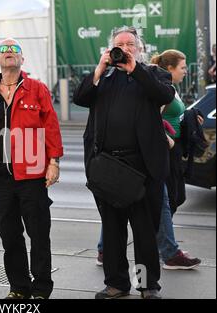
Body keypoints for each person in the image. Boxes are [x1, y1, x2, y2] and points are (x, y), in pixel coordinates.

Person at [74, 26, 175, 299]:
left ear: (140, 48)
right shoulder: (103, 77)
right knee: (113, 233)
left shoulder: (152, 74)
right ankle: (117, 283)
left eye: (130, 44)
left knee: (144, 235)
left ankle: (146, 285)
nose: (125, 48)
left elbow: (164, 95)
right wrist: (99, 67)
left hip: (143, 170)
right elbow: (80, 98)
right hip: (108, 168)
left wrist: (134, 69)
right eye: (119, 44)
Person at [0, 38, 63, 299]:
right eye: (3, 49)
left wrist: (53, 162)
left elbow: (51, 126)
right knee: (9, 235)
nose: (9, 52)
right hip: (1, 176)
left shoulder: (37, 88)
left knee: (38, 234)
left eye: (14, 50)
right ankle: (19, 288)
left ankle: (41, 289)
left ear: (22, 60)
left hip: (32, 175)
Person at [151, 49, 202, 269]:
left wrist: (190, 117)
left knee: (171, 199)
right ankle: (168, 250)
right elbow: (150, 118)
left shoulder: (170, 87)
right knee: (167, 201)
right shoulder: (163, 89)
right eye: (182, 67)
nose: (185, 71)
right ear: (170, 68)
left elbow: (175, 114)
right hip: (164, 152)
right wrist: (168, 141)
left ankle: (166, 247)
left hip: (171, 151)